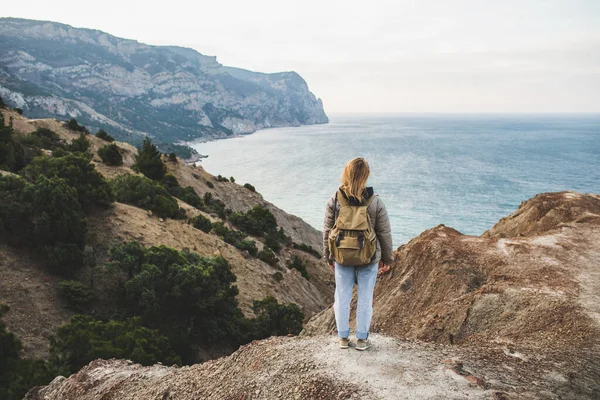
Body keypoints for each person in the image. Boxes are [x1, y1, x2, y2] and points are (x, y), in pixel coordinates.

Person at [323, 157, 393, 351]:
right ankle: (362, 339)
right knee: (365, 299)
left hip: (342, 256)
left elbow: (327, 230)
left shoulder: (335, 199)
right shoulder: (375, 201)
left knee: (342, 298)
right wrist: (387, 259)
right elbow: (384, 233)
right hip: (369, 257)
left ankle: (343, 338)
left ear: (346, 173)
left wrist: (328, 255)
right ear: (366, 176)